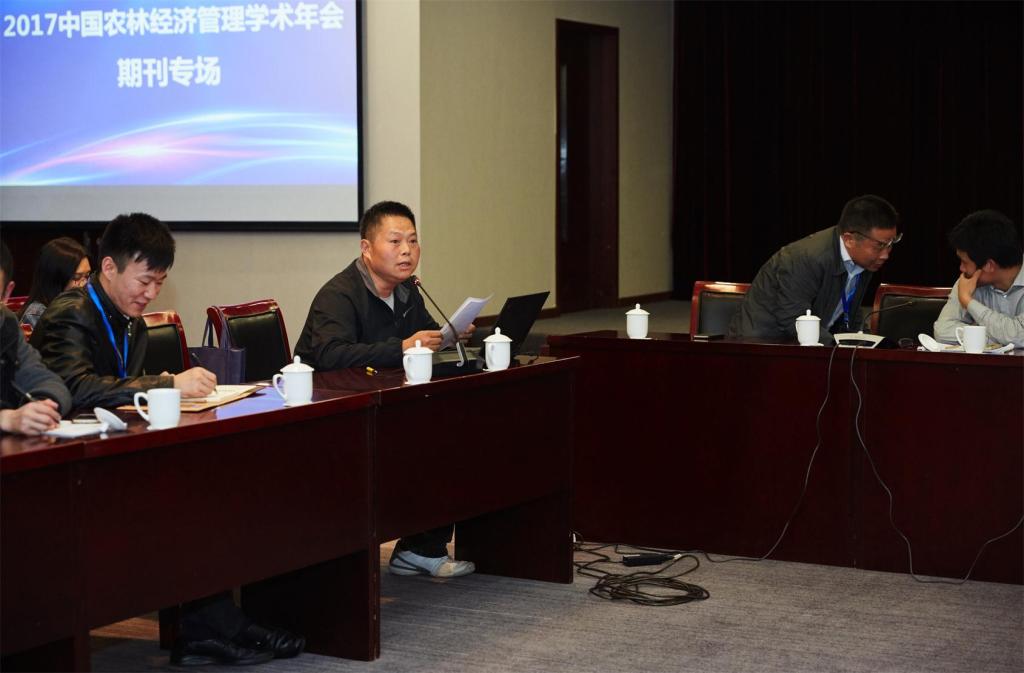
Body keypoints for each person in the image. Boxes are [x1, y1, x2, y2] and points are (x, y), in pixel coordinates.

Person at [30, 213, 304, 666]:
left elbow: (119, 391)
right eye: (145, 281)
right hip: (62, 469)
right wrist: (166, 384)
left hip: (111, 451)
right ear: (109, 267)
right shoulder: (71, 315)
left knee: (215, 482)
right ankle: (210, 627)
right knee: (187, 499)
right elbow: (74, 389)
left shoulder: (128, 320)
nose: (151, 293)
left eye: (159, 283)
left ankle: (214, 624)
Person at [296, 200, 476, 579]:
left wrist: (447, 336)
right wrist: (403, 346)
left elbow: (422, 336)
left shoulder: (408, 290)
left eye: (413, 240)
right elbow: (330, 355)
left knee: (454, 430)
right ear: (366, 248)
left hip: (385, 404)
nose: (407, 250)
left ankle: (419, 548)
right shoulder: (339, 295)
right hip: (331, 415)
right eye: (395, 241)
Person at [728, 194, 901, 344]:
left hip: (806, 345)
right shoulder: (806, 258)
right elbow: (794, 320)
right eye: (880, 245)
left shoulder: (866, 261)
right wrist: (836, 347)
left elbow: (850, 313)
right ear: (849, 239)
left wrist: (865, 344)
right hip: (760, 345)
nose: (885, 255)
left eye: (891, 244)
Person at [0, 242, 72, 435]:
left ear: (6, 294)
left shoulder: (6, 326)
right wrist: (5, 419)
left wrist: (39, 409)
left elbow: (51, 383)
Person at [933, 210, 1023, 347]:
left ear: (989, 265)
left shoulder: (966, 292)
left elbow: (1021, 336)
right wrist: (999, 339)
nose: (961, 268)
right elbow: (942, 331)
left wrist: (968, 302)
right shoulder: (969, 281)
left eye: (965, 262)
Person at [19, 236, 91, 328]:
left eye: (87, 276)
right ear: (56, 279)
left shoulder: (80, 306)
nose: (85, 284)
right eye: (76, 277)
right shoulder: (36, 316)